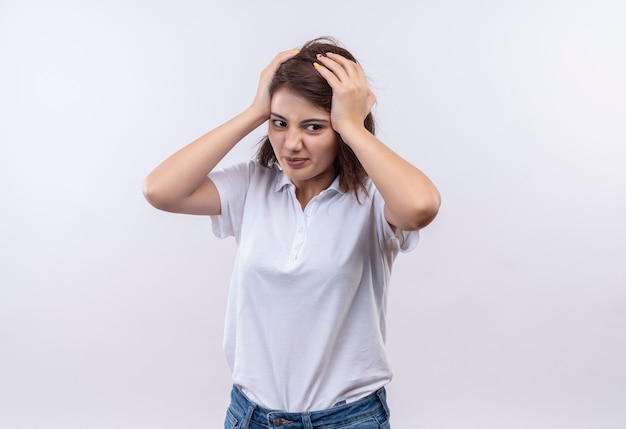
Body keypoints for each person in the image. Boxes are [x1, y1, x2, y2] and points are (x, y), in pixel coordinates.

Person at [143, 37, 441, 429]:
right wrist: (255, 111)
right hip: (251, 416)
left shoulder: (373, 199)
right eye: (280, 123)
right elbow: (159, 190)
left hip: (348, 419)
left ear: (342, 129)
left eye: (314, 127)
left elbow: (421, 206)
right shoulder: (253, 186)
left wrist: (352, 124)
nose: (291, 144)